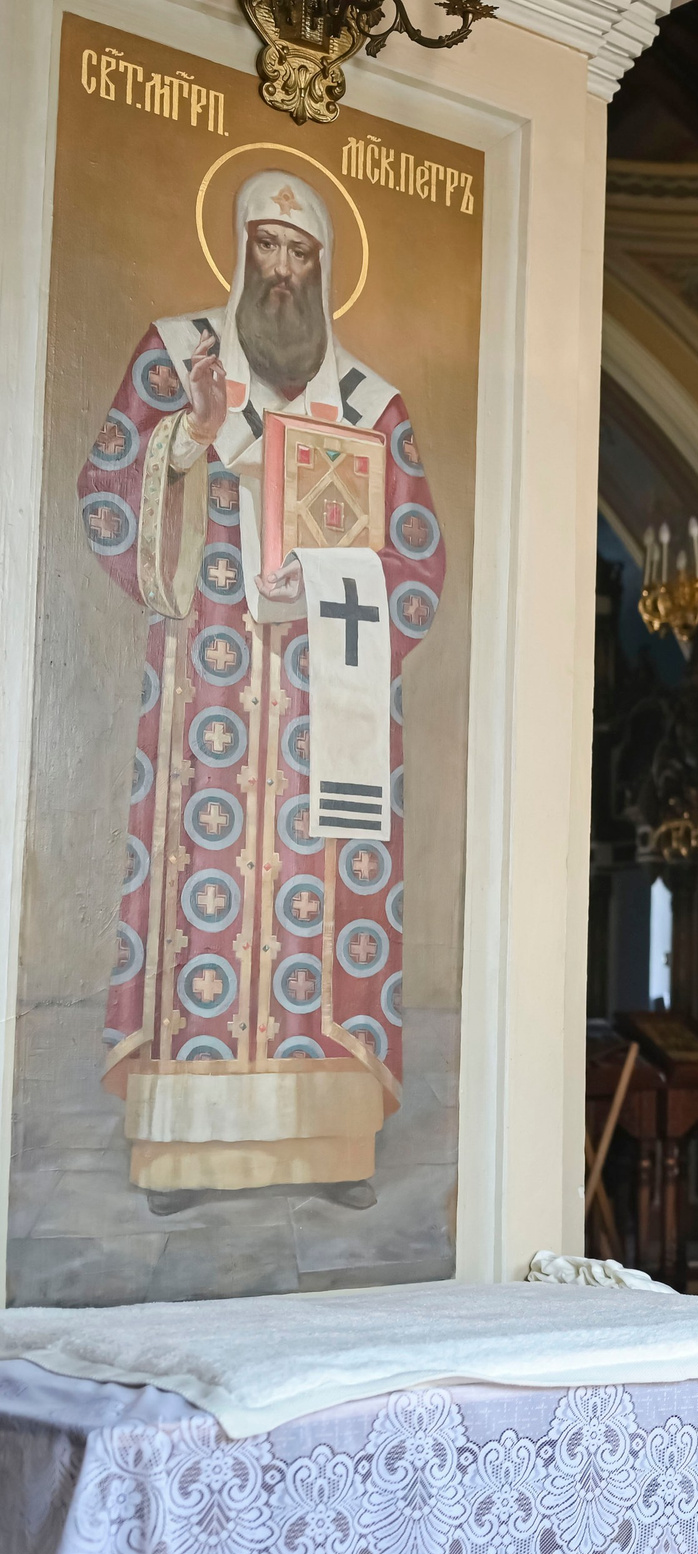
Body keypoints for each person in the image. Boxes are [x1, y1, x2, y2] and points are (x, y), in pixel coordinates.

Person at [81, 171, 447, 1214]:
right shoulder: (175, 354)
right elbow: (110, 493)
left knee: (317, 901)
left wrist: (328, 588)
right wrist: (190, 440)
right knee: (206, 898)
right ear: (239, 248)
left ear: (323, 267)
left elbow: (417, 561)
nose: (281, 271)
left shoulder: (371, 403)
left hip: (324, 703)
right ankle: (183, 1155)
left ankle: (326, 1146)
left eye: (301, 254)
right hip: (206, 695)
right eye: (267, 248)